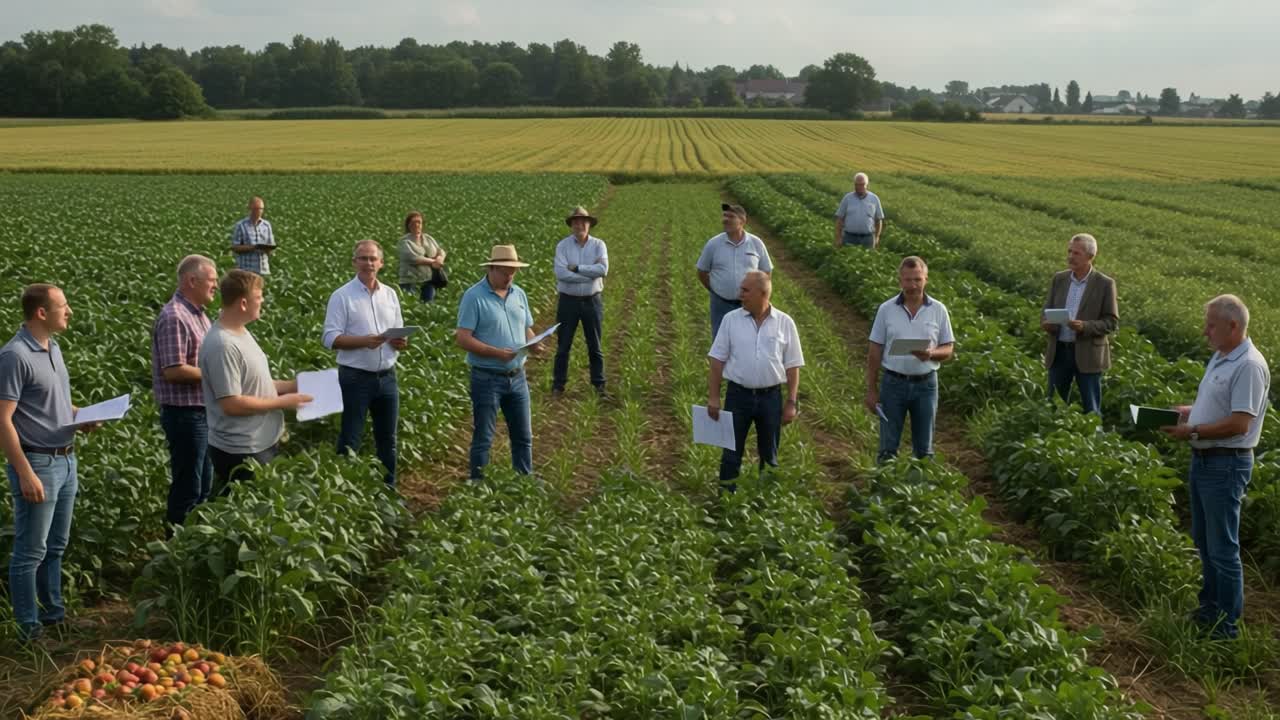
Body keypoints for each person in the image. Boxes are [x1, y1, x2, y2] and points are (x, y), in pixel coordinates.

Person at [1161, 295, 1269, 640]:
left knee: (1222, 547)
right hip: (1205, 460)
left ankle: (1226, 627)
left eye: (1211, 325)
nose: (1205, 331)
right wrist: (1192, 411)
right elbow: (1221, 406)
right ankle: (1209, 610)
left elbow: (1240, 423)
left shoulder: (1248, 365)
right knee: (1205, 542)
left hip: (1226, 464)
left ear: (1233, 326)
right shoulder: (1222, 356)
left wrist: (1191, 430)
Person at [0, 284, 99, 641]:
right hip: (38, 462)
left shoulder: (52, 348)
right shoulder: (14, 356)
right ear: (41, 313)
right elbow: (3, 419)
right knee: (30, 550)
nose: (69, 311)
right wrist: (25, 472)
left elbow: (52, 405)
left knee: (56, 545)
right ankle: (29, 629)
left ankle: (55, 616)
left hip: (66, 459)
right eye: (63, 306)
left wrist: (82, 415)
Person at [198, 270, 311, 490]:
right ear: (243, 303)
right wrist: (284, 402)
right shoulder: (223, 345)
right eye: (259, 297)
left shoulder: (240, 332)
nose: (263, 301)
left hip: (259, 442)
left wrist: (293, 386)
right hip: (242, 450)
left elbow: (254, 384)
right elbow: (232, 404)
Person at [455, 245, 547, 481]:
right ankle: (477, 484)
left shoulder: (519, 294)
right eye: (505, 271)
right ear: (492, 268)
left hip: (517, 376)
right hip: (486, 377)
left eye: (513, 272)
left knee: (523, 436)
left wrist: (533, 343)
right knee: (484, 437)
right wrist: (495, 353)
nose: (509, 276)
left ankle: (524, 480)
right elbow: (463, 338)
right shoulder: (473, 296)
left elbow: (525, 326)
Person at [707, 271, 803, 492]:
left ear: (763, 293)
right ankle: (726, 498)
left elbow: (793, 365)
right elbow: (717, 361)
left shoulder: (785, 323)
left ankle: (765, 501)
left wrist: (791, 402)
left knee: (769, 455)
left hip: (771, 398)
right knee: (731, 454)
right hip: (737, 396)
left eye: (745, 290)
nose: (740, 294)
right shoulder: (731, 320)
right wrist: (713, 397)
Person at [323, 240, 408, 486]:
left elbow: (397, 332)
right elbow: (330, 338)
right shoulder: (342, 296)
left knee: (388, 439)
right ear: (354, 262)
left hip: (387, 376)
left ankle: (388, 489)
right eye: (363, 258)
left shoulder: (390, 294)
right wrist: (363, 341)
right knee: (351, 437)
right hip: (355, 377)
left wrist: (399, 342)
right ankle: (345, 492)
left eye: (373, 259)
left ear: (381, 263)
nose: (368, 263)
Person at [865, 256, 955, 463]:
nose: (913, 285)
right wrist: (871, 389)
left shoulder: (938, 310)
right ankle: (886, 488)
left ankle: (921, 490)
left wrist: (931, 354)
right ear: (900, 281)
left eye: (917, 279)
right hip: (893, 384)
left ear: (926, 280)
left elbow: (948, 348)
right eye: (908, 280)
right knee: (888, 447)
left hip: (926, 385)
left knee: (924, 449)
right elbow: (874, 350)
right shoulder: (886, 309)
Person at [151, 255, 218, 531]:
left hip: (203, 412)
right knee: (188, 487)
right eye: (212, 280)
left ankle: (192, 546)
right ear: (192, 281)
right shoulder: (175, 316)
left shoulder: (199, 314)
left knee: (203, 485)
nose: (216, 285)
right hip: (185, 415)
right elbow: (174, 369)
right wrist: (218, 375)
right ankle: (176, 549)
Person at [1040, 233, 1118, 414]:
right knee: (1054, 404)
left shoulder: (1104, 284)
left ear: (1090, 256)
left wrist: (1085, 326)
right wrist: (1047, 324)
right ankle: (1054, 436)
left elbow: (1111, 322)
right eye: (1069, 251)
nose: (1070, 257)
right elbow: (1046, 311)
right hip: (1059, 350)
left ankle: (1093, 439)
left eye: (1076, 253)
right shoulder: (1059, 279)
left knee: (1091, 407)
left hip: (1088, 354)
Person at [552, 206, 609, 397]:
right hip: (568, 301)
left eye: (583, 221)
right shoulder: (562, 246)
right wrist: (588, 274)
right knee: (563, 345)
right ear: (571, 225)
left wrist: (576, 269)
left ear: (589, 224)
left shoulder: (599, 245)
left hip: (592, 301)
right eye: (575, 221)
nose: (579, 224)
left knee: (595, 345)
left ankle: (599, 384)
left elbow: (602, 270)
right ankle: (558, 385)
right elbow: (560, 273)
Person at [697, 203, 772, 339]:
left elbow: (765, 272)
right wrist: (716, 289)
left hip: (749, 303)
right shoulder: (713, 244)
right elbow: (702, 271)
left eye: (731, 216)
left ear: (742, 221)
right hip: (721, 303)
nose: (726, 219)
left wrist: (758, 295)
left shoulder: (756, 243)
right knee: (721, 340)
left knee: (749, 338)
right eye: (724, 216)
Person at [397, 210, 447, 304]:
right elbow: (414, 258)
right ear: (408, 225)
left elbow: (441, 250)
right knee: (410, 305)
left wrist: (440, 258)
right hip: (409, 281)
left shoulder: (428, 238)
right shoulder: (404, 242)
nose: (417, 225)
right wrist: (433, 262)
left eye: (419, 222)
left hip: (428, 280)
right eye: (413, 222)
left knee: (428, 305)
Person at [833, 172, 884, 249]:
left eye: (862, 184)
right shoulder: (847, 198)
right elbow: (839, 219)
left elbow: (879, 220)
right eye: (857, 184)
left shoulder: (874, 199)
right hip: (849, 237)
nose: (859, 187)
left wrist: (877, 237)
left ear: (867, 185)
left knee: (867, 260)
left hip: (867, 239)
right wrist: (838, 238)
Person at [230, 196, 276, 276]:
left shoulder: (266, 225)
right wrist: (254, 247)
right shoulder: (241, 225)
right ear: (250, 209)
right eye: (256, 209)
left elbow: (271, 246)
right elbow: (235, 247)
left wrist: (269, 249)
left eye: (261, 209)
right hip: (246, 270)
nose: (258, 211)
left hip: (263, 270)